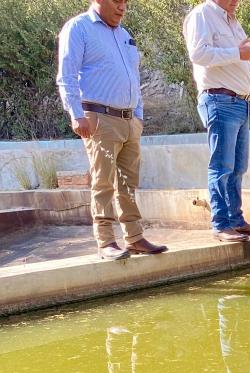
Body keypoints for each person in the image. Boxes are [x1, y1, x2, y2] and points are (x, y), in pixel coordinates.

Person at [56, 0, 168, 260]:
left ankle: (135, 237)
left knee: (128, 183)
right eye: (117, 1)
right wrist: (77, 114)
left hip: (129, 120)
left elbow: (133, 76)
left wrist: (137, 116)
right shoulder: (78, 28)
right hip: (99, 118)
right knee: (103, 182)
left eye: (125, 3)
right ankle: (106, 241)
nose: (122, 8)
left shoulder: (124, 34)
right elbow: (67, 75)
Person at [183, 0, 250, 242]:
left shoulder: (233, 22)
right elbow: (198, 54)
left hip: (240, 102)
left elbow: (247, 60)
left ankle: (235, 220)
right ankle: (221, 224)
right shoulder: (202, 15)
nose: (237, 1)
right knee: (222, 166)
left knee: (238, 167)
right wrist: (236, 53)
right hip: (219, 100)